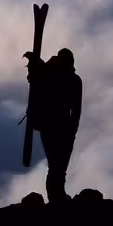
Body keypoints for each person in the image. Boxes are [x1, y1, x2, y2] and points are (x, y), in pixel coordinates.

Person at [23, 46, 83, 202]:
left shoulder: (57, 76)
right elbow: (76, 110)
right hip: (53, 125)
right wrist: (72, 130)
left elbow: (76, 110)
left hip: (55, 126)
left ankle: (57, 196)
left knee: (58, 166)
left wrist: (72, 130)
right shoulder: (68, 79)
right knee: (57, 165)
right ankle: (57, 198)